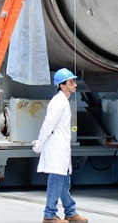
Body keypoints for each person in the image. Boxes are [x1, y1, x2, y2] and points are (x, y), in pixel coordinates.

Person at [32, 68, 88, 223]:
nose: (75, 84)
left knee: (64, 181)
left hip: (62, 147)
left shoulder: (63, 101)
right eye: (71, 82)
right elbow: (48, 123)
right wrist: (40, 141)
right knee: (56, 180)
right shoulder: (58, 102)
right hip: (56, 148)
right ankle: (49, 215)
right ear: (62, 86)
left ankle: (70, 212)